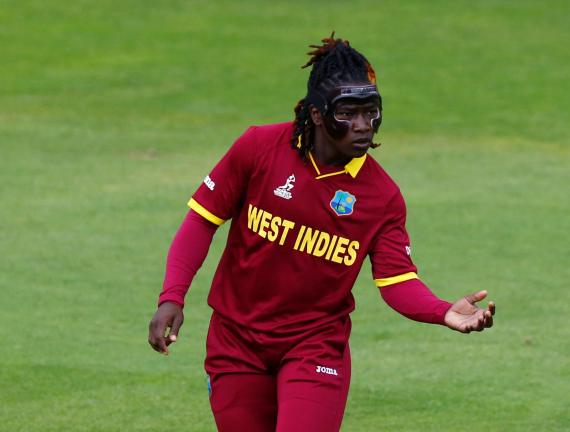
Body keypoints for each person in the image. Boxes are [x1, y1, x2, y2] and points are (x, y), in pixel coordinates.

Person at [148, 32, 495, 432]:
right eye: (348, 113)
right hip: (235, 342)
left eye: (371, 112)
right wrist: (171, 297)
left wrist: (442, 311)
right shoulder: (259, 147)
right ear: (316, 113)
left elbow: (397, 281)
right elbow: (201, 221)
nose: (364, 126)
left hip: (315, 346)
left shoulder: (382, 197)